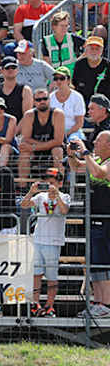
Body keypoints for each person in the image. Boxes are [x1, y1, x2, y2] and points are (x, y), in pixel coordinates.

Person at [68, 130, 110, 317]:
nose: (95, 144)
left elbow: (100, 174)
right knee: (95, 264)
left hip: (106, 220)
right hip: (94, 218)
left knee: (104, 263)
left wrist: (85, 152)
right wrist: (71, 155)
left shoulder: (107, 163)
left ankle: (107, 304)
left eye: (99, 141)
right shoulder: (97, 160)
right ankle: (98, 302)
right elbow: (77, 167)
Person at [20, 168, 69, 318]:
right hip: (38, 239)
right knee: (36, 274)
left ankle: (50, 305)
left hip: (53, 241)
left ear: (59, 183)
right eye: (46, 182)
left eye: (52, 182)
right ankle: (35, 304)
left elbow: (64, 210)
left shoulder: (64, 196)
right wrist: (31, 191)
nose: (49, 185)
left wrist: (56, 197)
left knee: (52, 276)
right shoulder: (40, 196)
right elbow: (24, 205)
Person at [19, 87, 65, 182]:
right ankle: (22, 189)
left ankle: (59, 186)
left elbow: (58, 141)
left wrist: (34, 147)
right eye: (38, 100)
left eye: (45, 99)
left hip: (53, 148)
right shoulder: (29, 115)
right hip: (36, 148)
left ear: (49, 100)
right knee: (24, 153)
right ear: (34, 102)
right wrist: (35, 148)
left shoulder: (58, 114)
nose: (42, 101)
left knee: (57, 152)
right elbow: (26, 138)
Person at [0, 56, 33, 123]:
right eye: (7, 68)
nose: (10, 70)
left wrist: (13, 131)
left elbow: (26, 116)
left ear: (17, 70)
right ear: (1, 71)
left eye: (13, 67)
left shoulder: (25, 90)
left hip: (19, 130)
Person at [41, 11, 84, 75]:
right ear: (54, 27)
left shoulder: (72, 37)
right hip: (54, 75)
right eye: (61, 26)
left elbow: (89, 44)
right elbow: (47, 63)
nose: (64, 28)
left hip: (71, 75)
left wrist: (78, 61)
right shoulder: (46, 41)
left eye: (66, 26)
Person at [50, 66, 86, 142]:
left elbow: (79, 123)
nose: (58, 81)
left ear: (68, 80)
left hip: (73, 132)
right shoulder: (50, 97)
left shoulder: (77, 97)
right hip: (54, 133)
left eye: (62, 78)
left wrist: (65, 134)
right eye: (56, 78)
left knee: (73, 142)